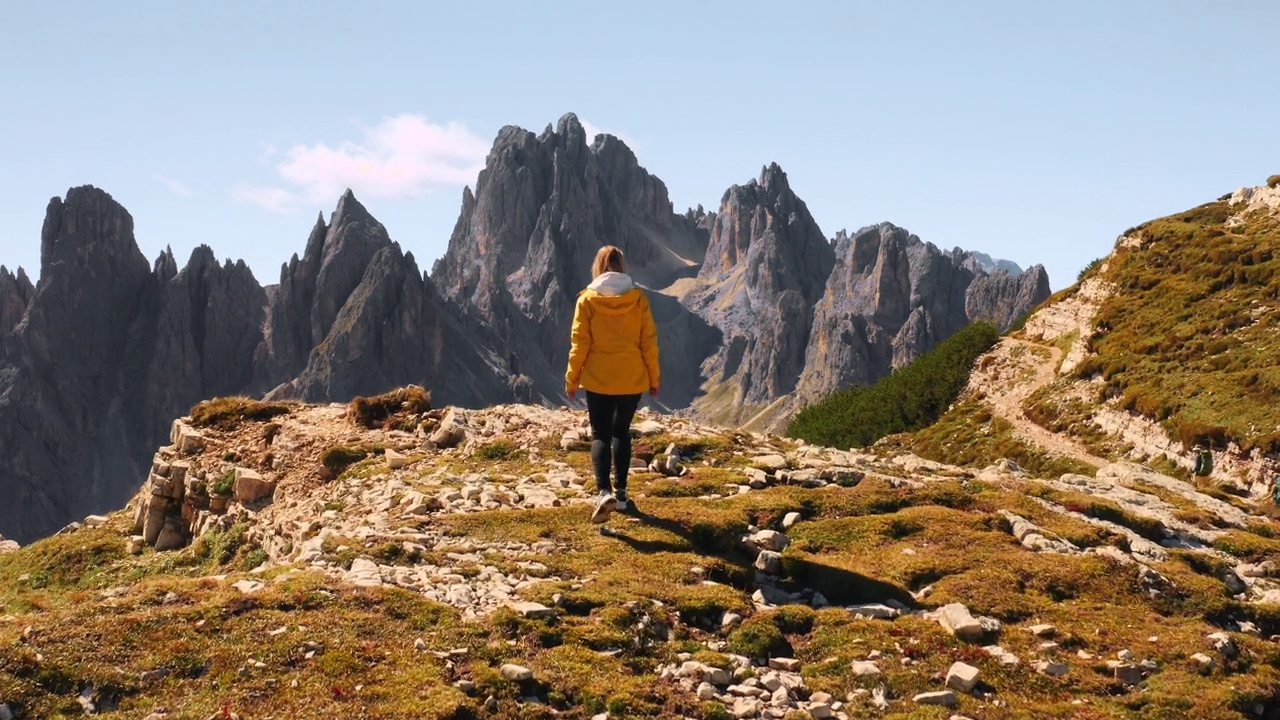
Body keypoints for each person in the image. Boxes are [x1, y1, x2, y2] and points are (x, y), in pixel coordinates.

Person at [566, 245, 660, 523]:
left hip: (598, 378)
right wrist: (653, 378)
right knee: (621, 431)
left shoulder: (587, 300)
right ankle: (621, 494)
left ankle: (603, 491)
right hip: (632, 378)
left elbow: (579, 344)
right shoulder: (638, 299)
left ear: (598, 267)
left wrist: (572, 378)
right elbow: (649, 343)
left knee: (600, 434)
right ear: (622, 266)